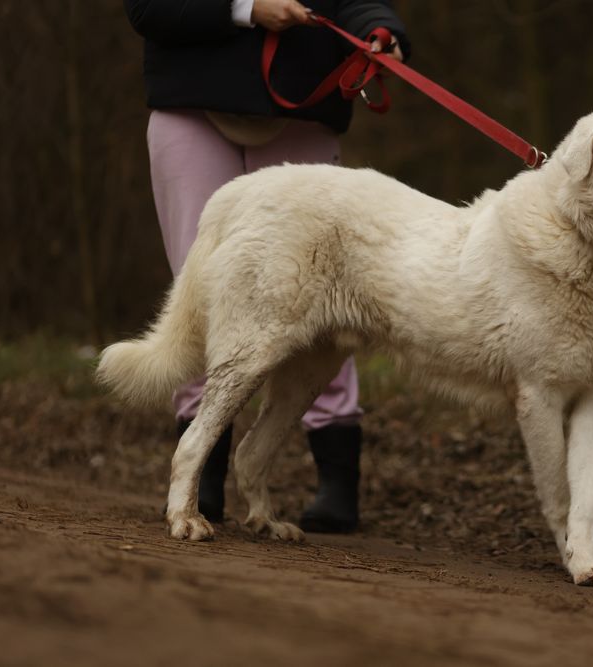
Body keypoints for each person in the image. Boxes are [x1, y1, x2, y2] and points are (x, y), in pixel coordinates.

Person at [124, 0, 409, 533]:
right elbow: (149, 8)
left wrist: (380, 31)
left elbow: (360, 2)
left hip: (305, 110)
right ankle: (199, 475)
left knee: (334, 295)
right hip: (192, 108)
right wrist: (247, 9)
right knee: (207, 292)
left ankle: (336, 478)